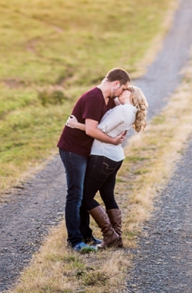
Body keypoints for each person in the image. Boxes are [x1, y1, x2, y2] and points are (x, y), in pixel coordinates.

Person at [56, 68, 131, 253]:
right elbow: (91, 130)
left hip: (88, 151)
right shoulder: (94, 97)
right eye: (123, 88)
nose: (122, 93)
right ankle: (74, 241)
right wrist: (113, 140)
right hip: (73, 150)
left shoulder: (109, 100)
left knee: (83, 194)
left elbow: (108, 125)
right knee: (76, 194)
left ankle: (87, 236)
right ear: (116, 84)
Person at [67, 85, 149, 249]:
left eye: (125, 89)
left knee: (85, 197)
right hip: (114, 156)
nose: (120, 91)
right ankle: (117, 237)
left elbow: (98, 130)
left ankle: (110, 235)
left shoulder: (124, 110)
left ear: (131, 94)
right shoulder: (129, 110)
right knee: (108, 196)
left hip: (103, 156)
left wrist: (76, 125)